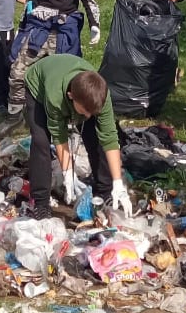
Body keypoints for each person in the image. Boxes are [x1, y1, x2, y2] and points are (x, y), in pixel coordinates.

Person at [0, 0, 101, 138]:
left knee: (67, 81)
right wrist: (23, 26)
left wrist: (94, 25)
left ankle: (70, 121)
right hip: (37, 30)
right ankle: (15, 116)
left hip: (63, 32)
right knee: (17, 71)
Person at [23, 54, 132, 221]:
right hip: (39, 86)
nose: (88, 116)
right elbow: (59, 136)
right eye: (85, 111)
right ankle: (41, 202)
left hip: (80, 94)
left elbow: (110, 137)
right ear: (71, 96)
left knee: (95, 134)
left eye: (92, 112)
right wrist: (68, 173)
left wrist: (118, 182)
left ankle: (106, 189)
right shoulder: (56, 97)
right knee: (40, 140)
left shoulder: (101, 95)